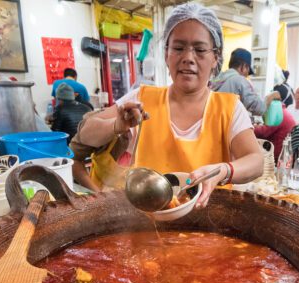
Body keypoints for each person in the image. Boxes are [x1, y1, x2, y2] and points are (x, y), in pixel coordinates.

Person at [77, 3, 263, 205]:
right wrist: (116, 125)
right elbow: (86, 134)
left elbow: (256, 161)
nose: (188, 58)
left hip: (208, 225)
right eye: (178, 48)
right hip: (144, 224)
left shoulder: (229, 108)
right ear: (166, 54)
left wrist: (223, 171)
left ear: (215, 59)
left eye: (200, 50)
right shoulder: (142, 98)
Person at [210, 48, 280, 116]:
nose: (247, 76)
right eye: (248, 71)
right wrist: (270, 96)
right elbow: (260, 109)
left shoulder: (218, 79)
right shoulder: (239, 80)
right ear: (243, 67)